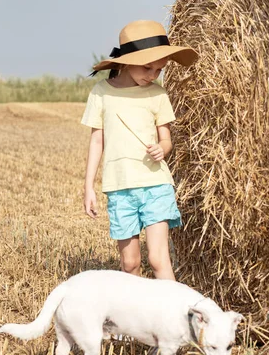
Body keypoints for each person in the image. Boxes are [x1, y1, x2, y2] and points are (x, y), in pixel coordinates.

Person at [81, 20, 198, 281]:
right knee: (130, 264)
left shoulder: (157, 94)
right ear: (125, 61)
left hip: (156, 184)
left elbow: (166, 139)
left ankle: (170, 318)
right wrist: (88, 186)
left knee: (158, 259)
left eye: (159, 69)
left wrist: (162, 149)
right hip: (119, 187)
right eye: (147, 67)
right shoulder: (101, 93)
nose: (153, 75)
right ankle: (138, 319)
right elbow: (96, 142)